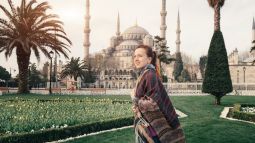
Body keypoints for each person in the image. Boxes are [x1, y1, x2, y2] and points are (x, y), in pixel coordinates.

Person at [131, 45, 185, 143]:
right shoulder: (145, 73)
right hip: (146, 124)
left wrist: (136, 101)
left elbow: (152, 102)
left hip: (152, 127)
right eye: (135, 56)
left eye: (140, 56)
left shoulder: (149, 75)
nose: (136, 59)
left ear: (149, 59)